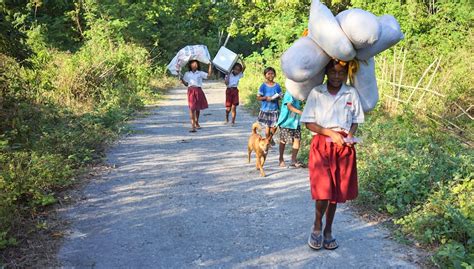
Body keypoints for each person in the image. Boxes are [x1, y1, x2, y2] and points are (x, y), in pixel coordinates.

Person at [300, 59, 364, 251]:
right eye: (333, 72)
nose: (337, 76)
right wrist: (330, 133)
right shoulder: (317, 92)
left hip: (343, 147)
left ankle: (328, 230)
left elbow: (356, 120)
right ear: (326, 72)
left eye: (341, 73)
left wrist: (349, 135)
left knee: (335, 191)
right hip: (322, 144)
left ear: (346, 74)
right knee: (323, 189)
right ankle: (317, 225)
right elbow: (308, 123)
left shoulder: (351, 92)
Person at [180, 60, 213, 132]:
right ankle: (193, 126)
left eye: (196, 63)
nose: (195, 65)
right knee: (192, 108)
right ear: (190, 65)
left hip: (198, 90)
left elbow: (208, 76)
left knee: (197, 108)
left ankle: (196, 121)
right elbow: (186, 84)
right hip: (191, 91)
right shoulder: (187, 74)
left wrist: (210, 65)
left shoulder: (200, 73)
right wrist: (182, 79)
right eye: (193, 63)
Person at [276, 91, 305, 168]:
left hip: (295, 122)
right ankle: (281, 158)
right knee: (283, 140)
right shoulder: (289, 93)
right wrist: (300, 112)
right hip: (286, 121)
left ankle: (293, 160)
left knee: (297, 140)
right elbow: (289, 106)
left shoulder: (298, 93)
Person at [256, 67, 282, 143]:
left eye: (272, 73)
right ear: (265, 75)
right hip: (265, 110)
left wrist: (277, 97)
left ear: (275, 75)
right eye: (268, 74)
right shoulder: (263, 86)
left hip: (274, 109)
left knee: (274, 127)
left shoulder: (277, 86)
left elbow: (280, 96)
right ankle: (268, 142)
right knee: (267, 126)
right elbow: (258, 97)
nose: (270, 75)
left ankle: (269, 138)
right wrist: (265, 98)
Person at [224, 60, 246, 125]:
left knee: (234, 107)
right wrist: (228, 74)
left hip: (235, 91)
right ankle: (227, 117)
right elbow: (226, 83)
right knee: (228, 108)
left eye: (238, 70)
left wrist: (240, 59)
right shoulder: (228, 74)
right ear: (233, 69)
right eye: (235, 69)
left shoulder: (239, 75)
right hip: (228, 91)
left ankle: (233, 121)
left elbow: (244, 67)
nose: (237, 71)